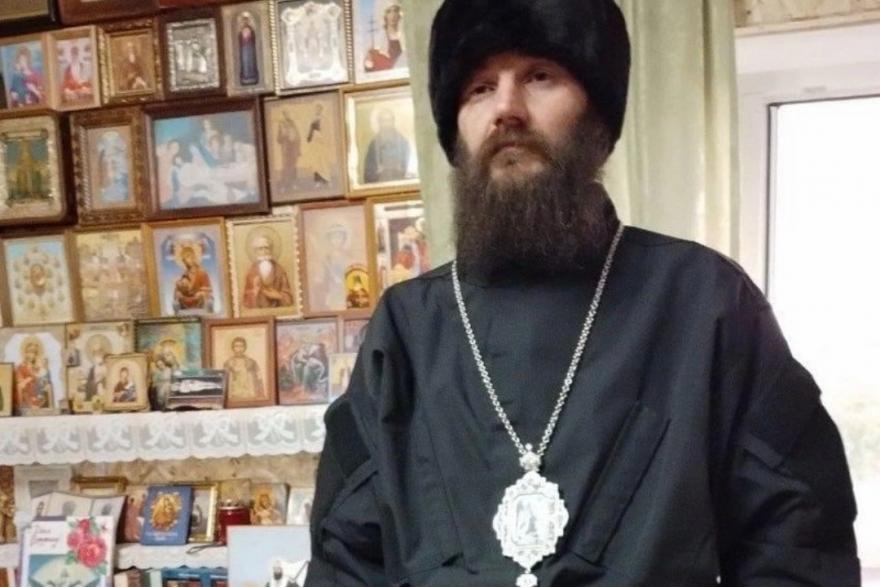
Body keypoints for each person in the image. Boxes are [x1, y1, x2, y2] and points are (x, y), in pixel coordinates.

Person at [305, 1, 860, 586]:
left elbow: (798, 548)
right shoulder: (406, 328)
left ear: (597, 113)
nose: (506, 109)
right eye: (479, 88)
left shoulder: (706, 301)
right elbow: (345, 560)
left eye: (539, 76)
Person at [242, 234, 294, 309]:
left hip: (277, 309)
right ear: (256, 251)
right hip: (259, 311)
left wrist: (278, 296)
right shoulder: (251, 272)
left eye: (266, 248)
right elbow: (246, 300)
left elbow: (289, 298)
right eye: (260, 248)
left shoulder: (279, 270)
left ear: (270, 250)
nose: (264, 251)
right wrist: (255, 291)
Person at [362, 108, 410, 184]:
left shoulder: (403, 143)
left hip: (400, 184)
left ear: (393, 121)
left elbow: (408, 168)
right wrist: (377, 171)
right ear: (379, 123)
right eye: (383, 121)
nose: (386, 124)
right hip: (380, 185)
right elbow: (368, 171)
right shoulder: (373, 145)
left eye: (389, 120)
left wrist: (400, 169)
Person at [173, 245, 214, 312]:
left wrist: (201, 293)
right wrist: (178, 293)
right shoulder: (184, 275)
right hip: (185, 301)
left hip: (199, 301)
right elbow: (177, 290)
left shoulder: (202, 273)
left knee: (207, 302)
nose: (186, 261)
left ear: (193, 257)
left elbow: (209, 290)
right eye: (184, 259)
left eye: (188, 257)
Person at [238, 13, 260, 86]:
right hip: (244, 49)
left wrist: (249, 39)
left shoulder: (251, 29)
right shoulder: (241, 30)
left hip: (250, 48)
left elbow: (253, 38)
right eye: (244, 20)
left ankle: (252, 76)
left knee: (251, 61)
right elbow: (240, 39)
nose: (245, 22)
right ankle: (246, 76)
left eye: (246, 20)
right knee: (245, 61)